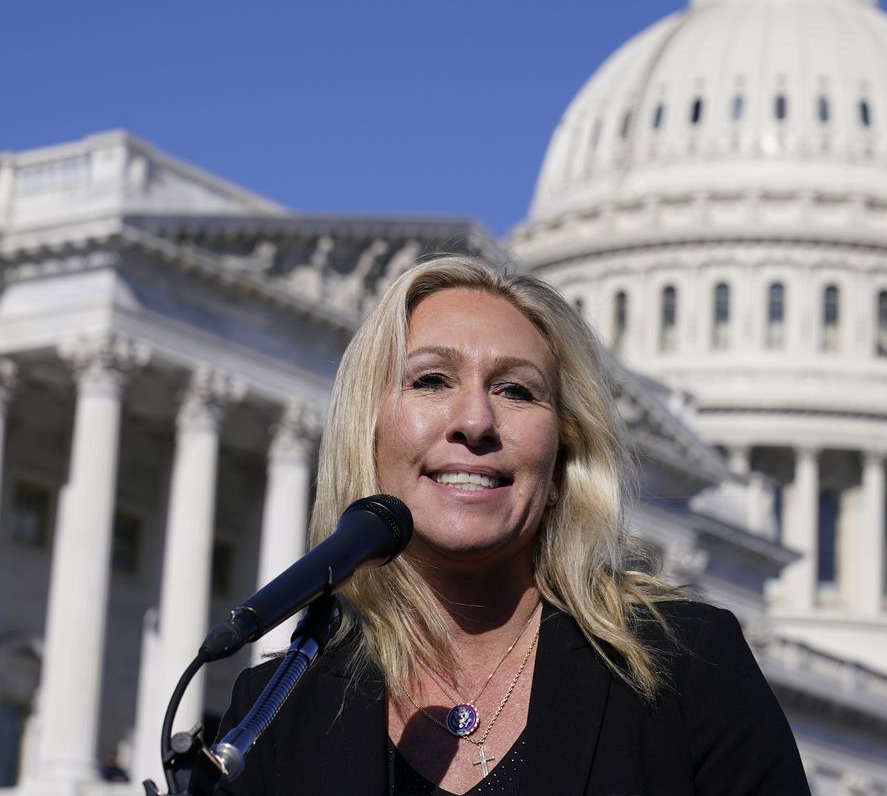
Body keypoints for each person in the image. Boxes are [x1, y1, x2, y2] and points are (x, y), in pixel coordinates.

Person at [212, 256, 809, 795]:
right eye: (431, 380)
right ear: (365, 438)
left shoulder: (685, 665)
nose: (475, 420)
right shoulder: (275, 713)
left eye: (516, 391)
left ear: (561, 463)